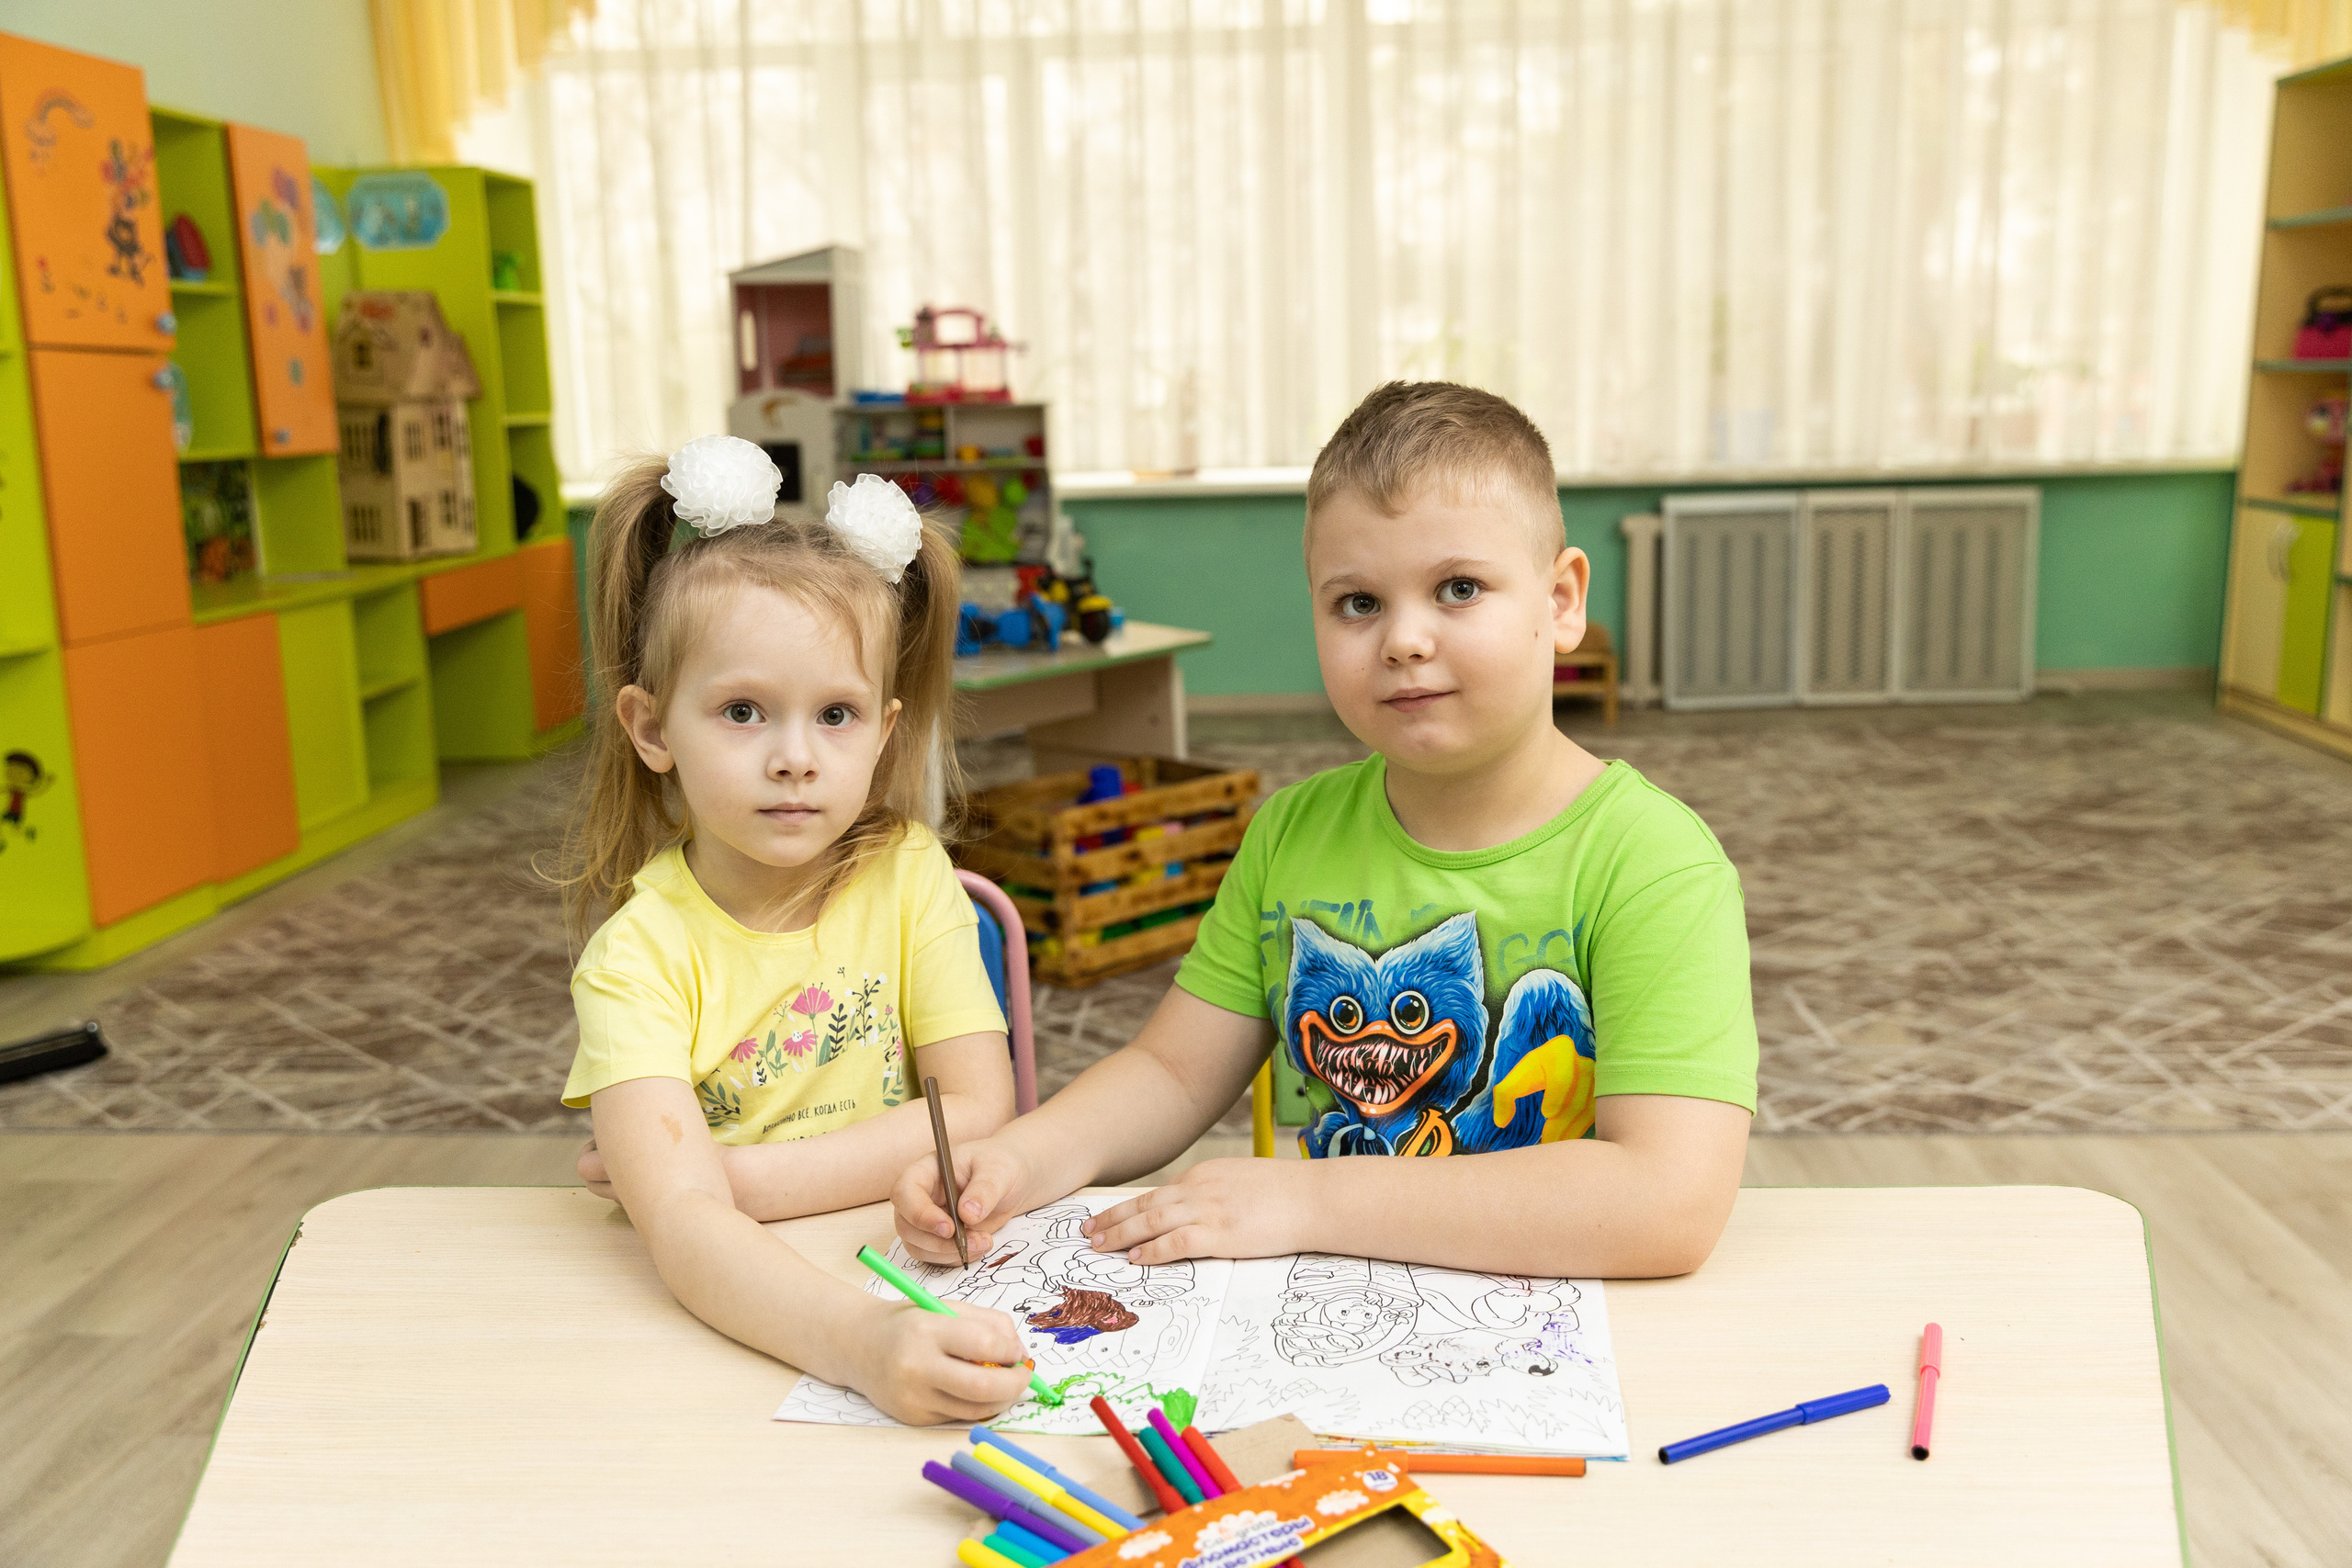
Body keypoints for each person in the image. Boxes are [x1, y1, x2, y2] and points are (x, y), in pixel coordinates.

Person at [893, 381, 1757, 1280]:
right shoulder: (1292, 833)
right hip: (1340, 1323)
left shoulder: (1654, 863)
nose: (1403, 640)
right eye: (1357, 604)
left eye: (1457, 588)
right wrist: (1024, 1158)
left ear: (1562, 601)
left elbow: (1667, 1203)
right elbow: (1175, 1073)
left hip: (1573, 1342)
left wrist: (1308, 1199)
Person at [560, 435, 1028, 1424]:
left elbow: (981, 1111)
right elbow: (682, 1232)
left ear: (885, 730)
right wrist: (859, 1340)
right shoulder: (637, 960)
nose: (794, 759)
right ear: (650, 729)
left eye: (836, 715)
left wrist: (734, 1180)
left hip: (908, 1269)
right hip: (754, 1319)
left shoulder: (909, 876)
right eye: (742, 711)